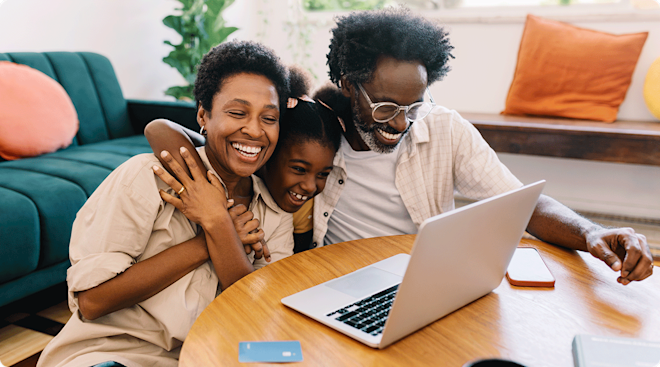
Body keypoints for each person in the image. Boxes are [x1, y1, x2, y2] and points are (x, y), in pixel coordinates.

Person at [312, 7, 653, 284]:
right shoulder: (314, 136)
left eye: (413, 107)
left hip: (424, 282)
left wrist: (593, 231)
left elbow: (523, 205)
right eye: (385, 108)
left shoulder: (444, 127)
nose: (401, 124)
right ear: (348, 86)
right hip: (341, 280)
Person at [37, 40, 292, 367]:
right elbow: (92, 302)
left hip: (208, 358)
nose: (255, 130)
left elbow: (257, 313)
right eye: (237, 113)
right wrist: (210, 235)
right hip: (114, 356)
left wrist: (218, 224)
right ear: (203, 113)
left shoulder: (273, 215)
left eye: (269, 118)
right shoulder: (144, 177)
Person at [145, 66, 343, 253]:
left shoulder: (301, 206)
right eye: (299, 169)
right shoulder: (239, 162)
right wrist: (212, 199)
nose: (309, 186)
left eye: (323, 173)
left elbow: (294, 261)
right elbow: (158, 128)